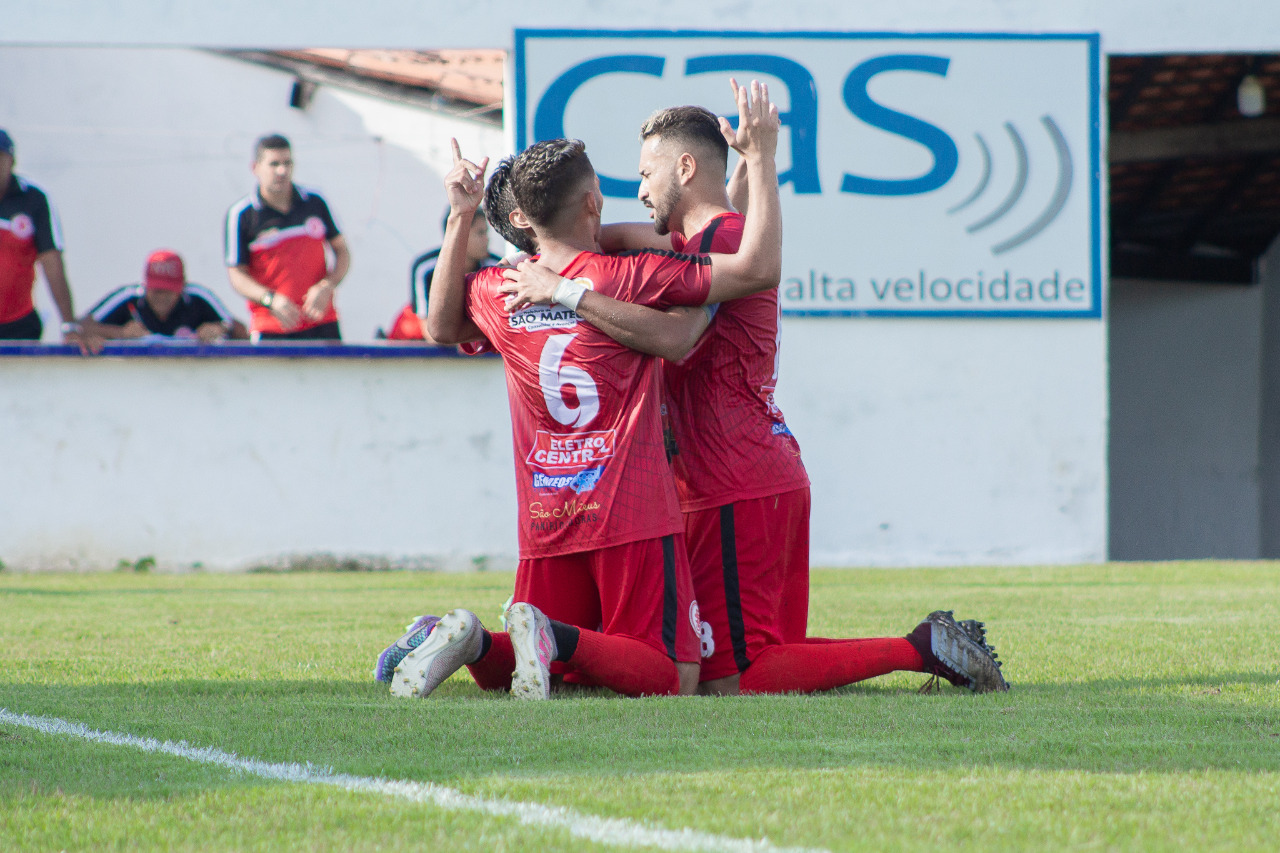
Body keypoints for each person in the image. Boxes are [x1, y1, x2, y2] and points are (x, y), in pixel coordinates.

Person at [498, 90, 1009, 695]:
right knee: (746, 659)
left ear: (684, 168)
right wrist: (543, 237)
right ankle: (929, 646)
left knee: (735, 678)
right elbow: (597, 241)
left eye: (646, 173)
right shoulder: (699, 241)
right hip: (743, 474)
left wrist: (760, 159)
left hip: (732, 477)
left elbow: (688, 324)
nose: (638, 189)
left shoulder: (723, 242)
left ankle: (921, 649)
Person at [383, 80, 786, 702]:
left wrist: (462, 216)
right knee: (673, 676)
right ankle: (552, 636)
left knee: (549, 667)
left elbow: (439, 326)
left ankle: (473, 641)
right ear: (594, 200)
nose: (640, 190)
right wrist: (760, 162)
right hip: (630, 511)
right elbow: (749, 269)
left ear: (520, 219)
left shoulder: (502, 287)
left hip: (546, 514)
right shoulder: (632, 277)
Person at [224, 134, 350, 341]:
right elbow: (237, 275)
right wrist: (270, 299)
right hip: (272, 326)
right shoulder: (242, 214)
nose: (282, 171)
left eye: (287, 163)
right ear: (255, 167)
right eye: (274, 164)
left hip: (321, 321)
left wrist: (328, 285)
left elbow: (342, 251)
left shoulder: (315, 202)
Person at [0, 128, 98, 352]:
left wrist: (69, 325)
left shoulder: (33, 200)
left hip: (19, 324)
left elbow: (52, 264)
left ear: (11, 161)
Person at [386, 208, 503, 343]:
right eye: (480, 233)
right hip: (421, 346)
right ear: (458, 235)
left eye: (486, 233)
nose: (487, 239)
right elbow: (431, 333)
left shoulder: (496, 267)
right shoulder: (425, 268)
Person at [84, 249, 249, 342]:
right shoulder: (129, 297)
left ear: (182, 287)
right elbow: (81, 327)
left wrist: (219, 329)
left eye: (169, 291)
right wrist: (121, 333)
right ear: (146, 285)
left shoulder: (198, 297)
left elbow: (241, 331)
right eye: (156, 290)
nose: (161, 297)